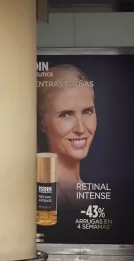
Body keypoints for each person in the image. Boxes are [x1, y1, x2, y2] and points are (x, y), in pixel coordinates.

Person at [37, 64, 97, 208]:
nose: (81, 128)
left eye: (87, 112)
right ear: (42, 123)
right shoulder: (47, 193)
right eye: (66, 115)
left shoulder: (80, 186)